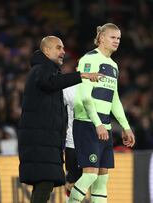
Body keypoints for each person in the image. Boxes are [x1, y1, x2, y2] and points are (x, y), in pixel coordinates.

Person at [17, 36, 101, 203]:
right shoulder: (41, 69)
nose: (63, 51)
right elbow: (50, 82)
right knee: (45, 182)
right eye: (58, 48)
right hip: (40, 140)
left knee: (43, 184)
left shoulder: (48, 70)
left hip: (46, 140)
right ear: (46, 51)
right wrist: (82, 75)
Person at [68, 23, 136, 203]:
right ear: (101, 38)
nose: (117, 41)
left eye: (119, 38)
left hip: (104, 126)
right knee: (90, 175)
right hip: (87, 123)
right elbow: (84, 95)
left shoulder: (113, 65)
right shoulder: (89, 59)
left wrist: (126, 127)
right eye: (113, 37)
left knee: (102, 178)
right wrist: (97, 123)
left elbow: (114, 99)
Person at [62, 66, 83, 202]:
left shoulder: (99, 88)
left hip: (92, 142)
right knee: (71, 181)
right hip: (73, 143)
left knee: (92, 179)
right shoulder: (67, 90)